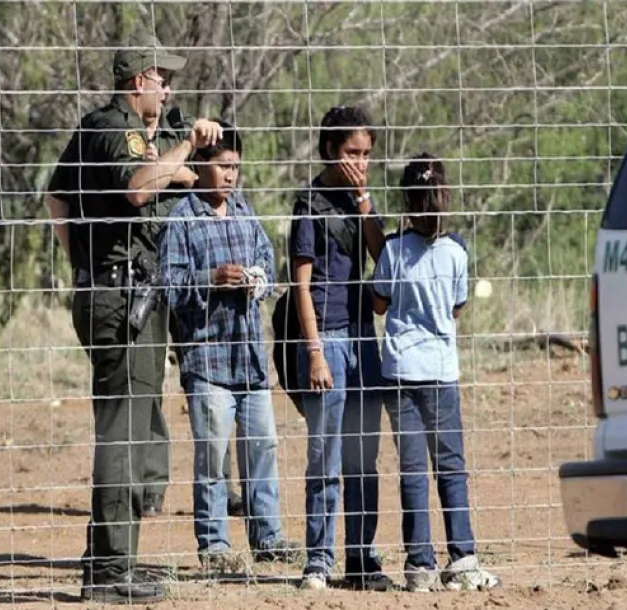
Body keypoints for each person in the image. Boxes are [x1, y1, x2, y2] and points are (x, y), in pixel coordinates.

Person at [45, 33, 223, 604]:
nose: (169, 88)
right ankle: (111, 570)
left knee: (136, 426)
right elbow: (139, 188)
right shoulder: (110, 128)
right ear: (137, 81)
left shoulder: (127, 133)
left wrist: (184, 149)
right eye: (162, 78)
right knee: (123, 431)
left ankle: (111, 562)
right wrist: (176, 162)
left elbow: (57, 200)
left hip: (125, 294)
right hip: (119, 297)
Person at [159, 121, 303, 574]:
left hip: (251, 359)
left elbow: (269, 268)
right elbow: (168, 286)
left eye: (236, 168)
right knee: (213, 457)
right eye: (223, 166)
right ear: (200, 166)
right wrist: (210, 280)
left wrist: (258, 282)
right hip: (207, 360)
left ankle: (268, 538)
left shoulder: (245, 212)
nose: (230, 176)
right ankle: (215, 545)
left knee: (263, 448)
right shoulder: (182, 218)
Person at [372, 153, 502, 592]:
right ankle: (463, 558)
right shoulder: (457, 250)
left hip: (399, 373)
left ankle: (420, 565)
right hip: (441, 372)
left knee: (412, 471)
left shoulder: (392, 249)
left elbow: (378, 302)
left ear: (405, 202)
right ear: (445, 197)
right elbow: (457, 308)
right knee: (450, 467)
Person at [289, 105, 390, 590]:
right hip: (326, 338)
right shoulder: (309, 202)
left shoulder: (360, 201)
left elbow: (382, 258)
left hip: (363, 339)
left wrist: (365, 200)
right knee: (325, 455)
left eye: (368, 154)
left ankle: (363, 558)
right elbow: (301, 285)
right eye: (353, 152)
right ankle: (319, 560)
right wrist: (314, 352)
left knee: (363, 458)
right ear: (330, 149)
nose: (361, 162)